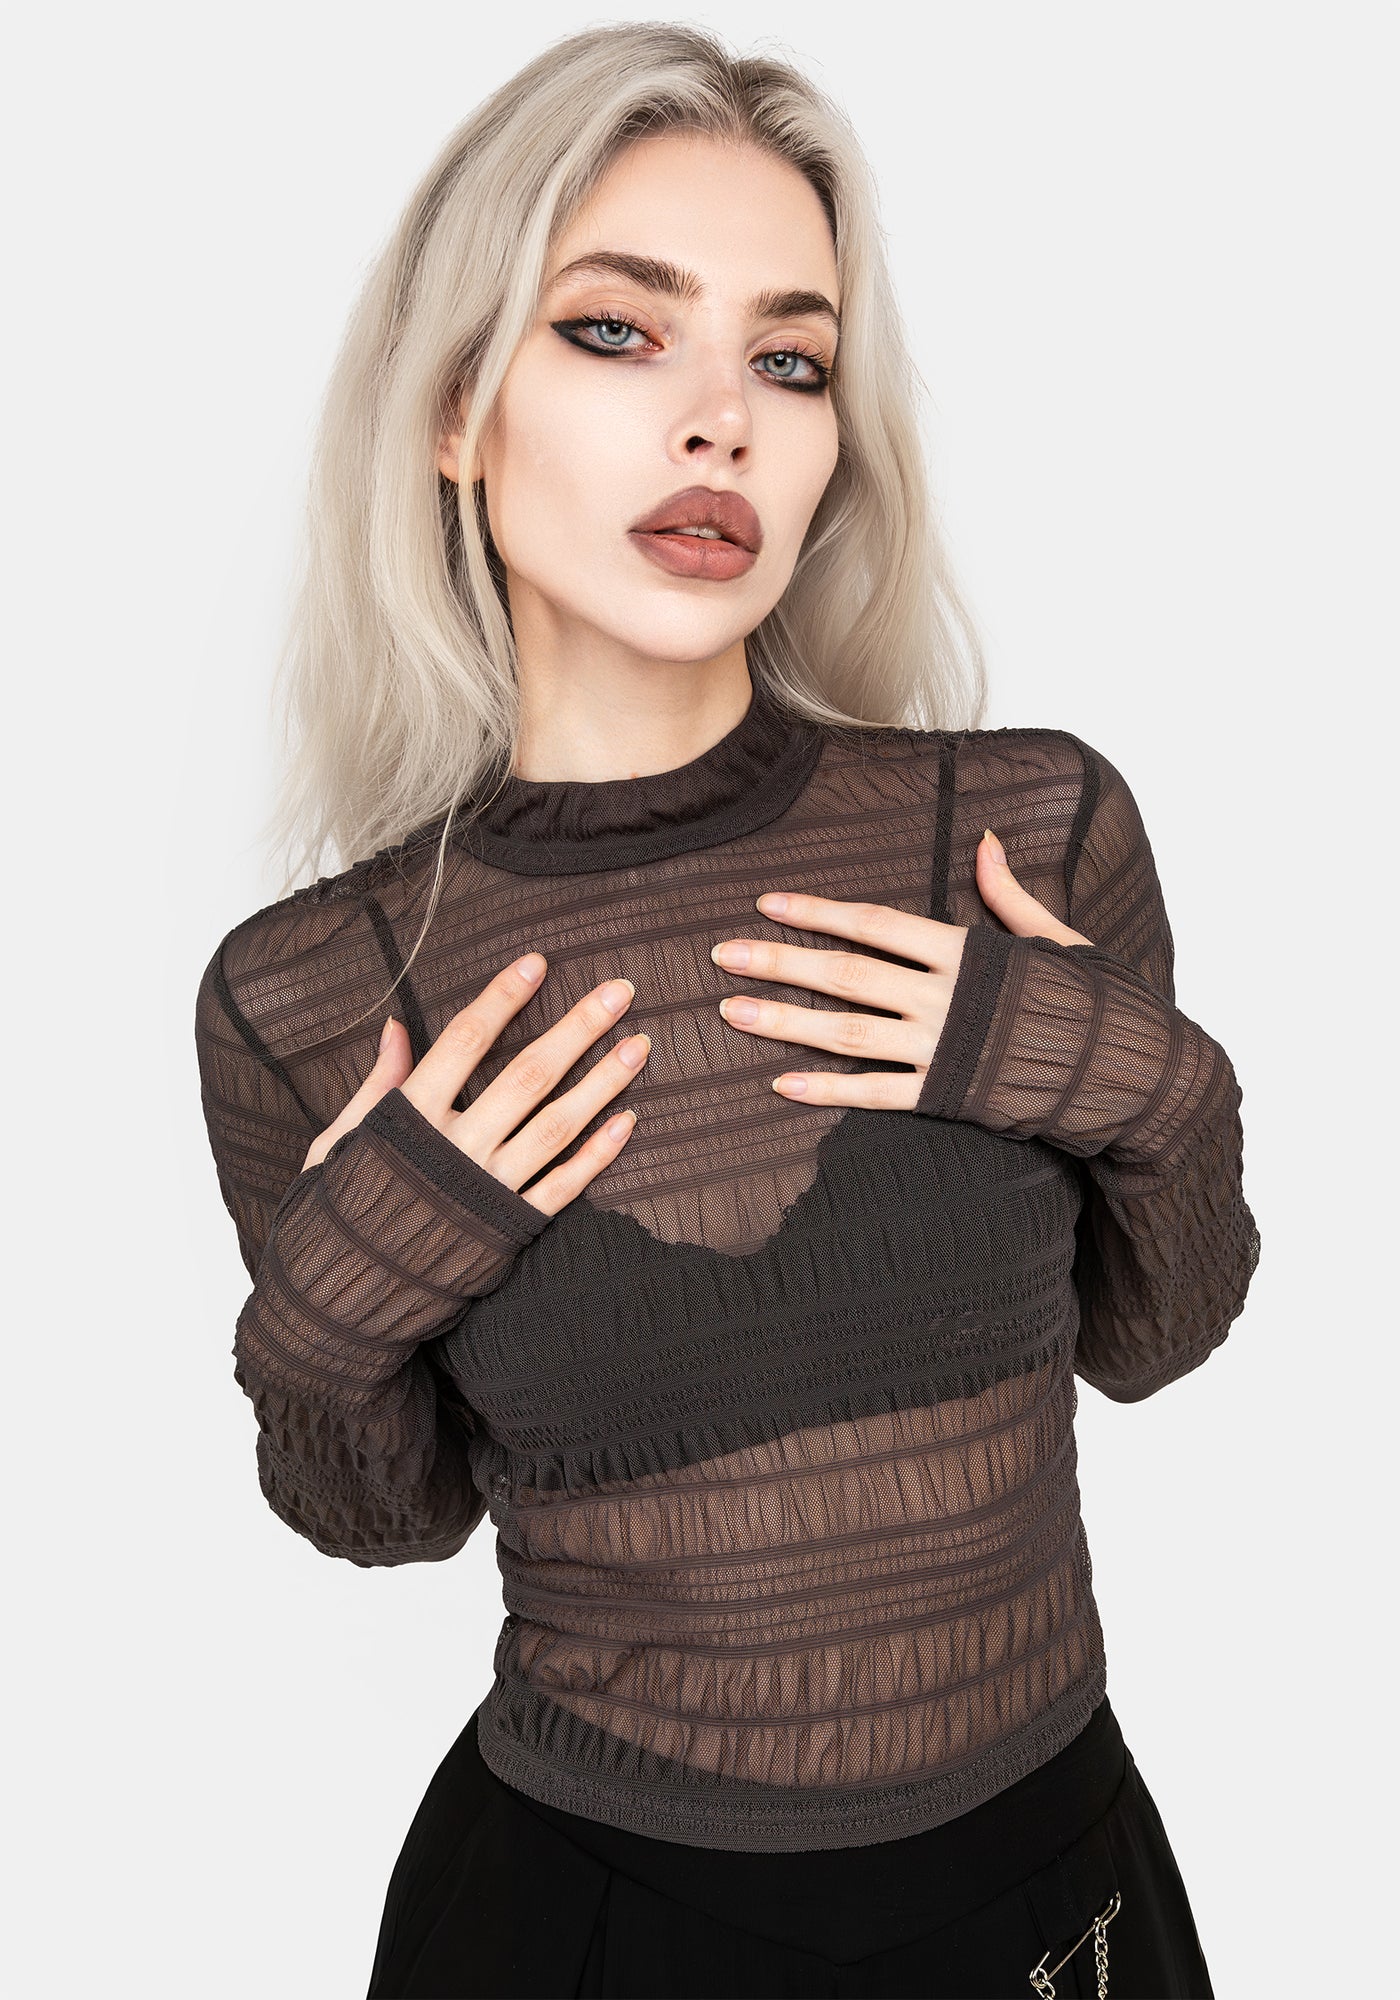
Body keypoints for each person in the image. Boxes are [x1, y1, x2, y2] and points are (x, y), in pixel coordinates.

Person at [194, 22, 1260, 1998]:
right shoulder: (316, 988)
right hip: (586, 1926)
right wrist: (340, 1294)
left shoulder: (1019, 830)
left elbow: (1156, 1332)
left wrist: (1138, 1081)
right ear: (454, 411)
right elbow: (383, 1516)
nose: (722, 427)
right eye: (618, 333)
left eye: (789, 360)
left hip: (1048, 1895)